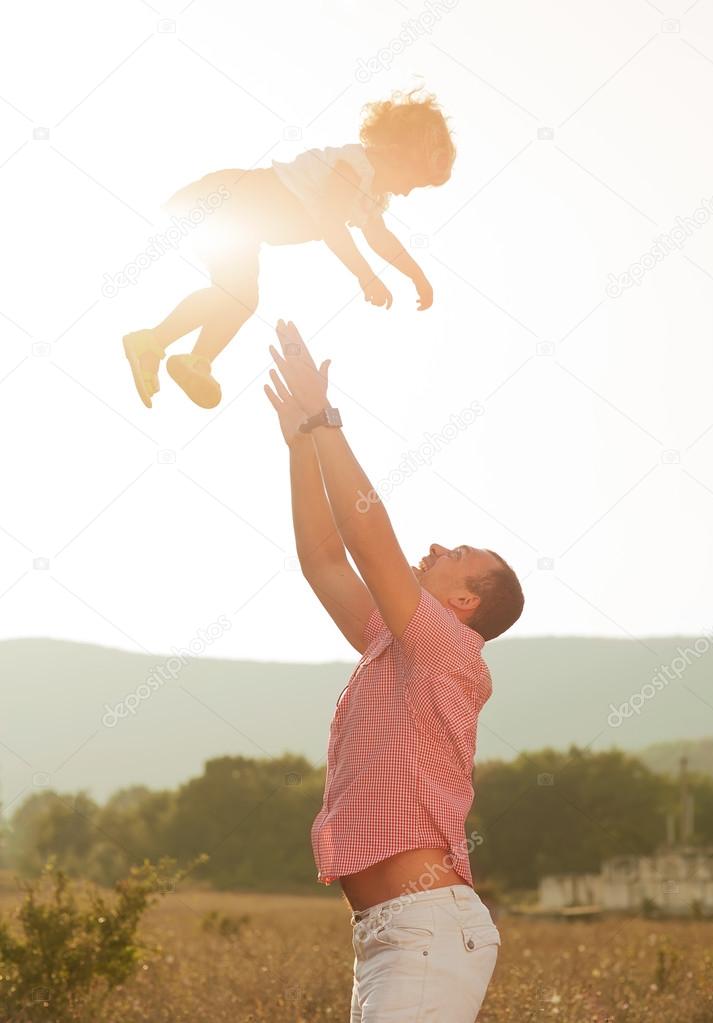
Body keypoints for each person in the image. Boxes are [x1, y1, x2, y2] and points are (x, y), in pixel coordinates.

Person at [265, 320, 525, 1022]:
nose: (437, 543)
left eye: (458, 551)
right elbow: (325, 558)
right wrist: (299, 445)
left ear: (465, 601)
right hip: (390, 936)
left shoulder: (449, 649)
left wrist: (324, 421)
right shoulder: (393, 640)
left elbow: (367, 533)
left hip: (426, 931)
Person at [123, 88, 455, 409]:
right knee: (236, 293)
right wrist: (366, 276)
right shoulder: (351, 169)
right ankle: (153, 341)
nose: (409, 192)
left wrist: (417, 277)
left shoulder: (371, 196)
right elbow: (331, 226)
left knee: (241, 297)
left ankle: (192, 360)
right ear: (397, 154)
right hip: (230, 203)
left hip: (243, 222)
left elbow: (380, 237)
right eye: (414, 180)